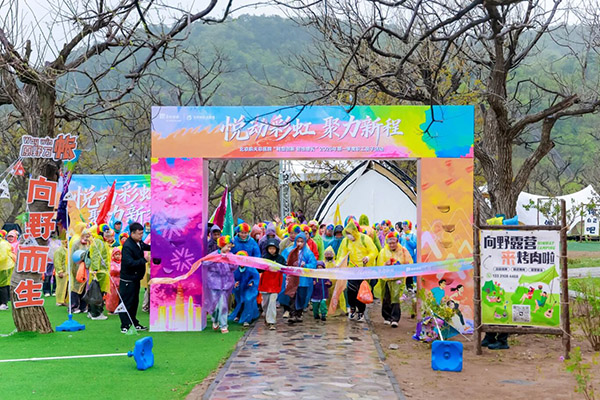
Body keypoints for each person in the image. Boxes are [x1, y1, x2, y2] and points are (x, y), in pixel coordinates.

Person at [336, 221, 378, 322]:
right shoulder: (346, 241)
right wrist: (338, 264)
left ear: (355, 231)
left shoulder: (365, 239)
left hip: (364, 270)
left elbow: (374, 251)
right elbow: (342, 254)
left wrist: (368, 257)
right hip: (352, 270)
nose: (349, 235)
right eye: (347, 233)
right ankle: (352, 308)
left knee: (361, 291)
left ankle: (361, 311)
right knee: (351, 291)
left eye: (350, 233)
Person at [119, 222, 151, 333]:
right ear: (132, 233)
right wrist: (144, 260)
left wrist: (158, 246)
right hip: (128, 279)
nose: (141, 236)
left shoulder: (139, 243)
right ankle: (125, 325)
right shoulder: (128, 246)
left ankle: (134, 322)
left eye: (142, 233)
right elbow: (130, 263)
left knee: (134, 302)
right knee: (126, 302)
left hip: (136, 278)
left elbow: (146, 247)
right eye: (139, 234)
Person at [377, 232, 413, 327]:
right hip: (386, 278)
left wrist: (402, 264)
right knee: (386, 297)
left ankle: (395, 318)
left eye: (394, 243)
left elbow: (409, 262)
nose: (392, 245)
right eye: (390, 243)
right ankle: (386, 317)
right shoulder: (383, 251)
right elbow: (379, 265)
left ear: (397, 241)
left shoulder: (403, 250)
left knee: (396, 297)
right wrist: (385, 264)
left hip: (398, 278)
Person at [203, 235, 237, 334]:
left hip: (225, 284)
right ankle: (215, 320)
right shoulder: (213, 255)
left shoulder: (230, 255)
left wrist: (229, 260)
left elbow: (234, 266)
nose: (229, 249)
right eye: (227, 246)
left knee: (223, 305)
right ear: (221, 245)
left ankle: (224, 325)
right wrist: (216, 259)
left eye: (230, 247)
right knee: (215, 306)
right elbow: (204, 263)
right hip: (214, 284)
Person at [282, 232, 316, 323]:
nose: (299, 243)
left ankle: (299, 313)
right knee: (292, 296)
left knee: (302, 296)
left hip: (303, 280)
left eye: (301, 241)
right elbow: (283, 261)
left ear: (305, 242)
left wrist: (306, 265)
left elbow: (313, 264)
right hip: (292, 278)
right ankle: (292, 314)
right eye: (298, 241)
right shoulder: (289, 251)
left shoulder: (308, 253)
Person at [88, 224, 113, 320]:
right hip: (99, 272)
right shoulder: (98, 242)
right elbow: (95, 256)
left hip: (101, 271)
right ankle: (96, 313)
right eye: (106, 232)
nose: (108, 234)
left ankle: (91, 312)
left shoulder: (101, 242)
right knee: (97, 293)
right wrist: (95, 269)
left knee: (95, 292)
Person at [229, 250, 260, 326]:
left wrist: (252, 282)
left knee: (248, 300)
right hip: (240, 289)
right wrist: (235, 283)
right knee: (240, 301)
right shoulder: (236, 269)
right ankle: (240, 315)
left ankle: (247, 319)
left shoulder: (251, 268)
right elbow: (232, 277)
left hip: (249, 288)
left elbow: (256, 277)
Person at [259, 238, 285, 330]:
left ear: (277, 249)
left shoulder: (280, 259)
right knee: (265, 303)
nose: (272, 250)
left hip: (275, 284)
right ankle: (267, 316)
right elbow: (259, 269)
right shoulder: (264, 258)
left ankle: (271, 322)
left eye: (273, 248)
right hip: (265, 284)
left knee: (272, 302)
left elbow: (284, 268)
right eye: (270, 248)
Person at [70, 229, 91, 314]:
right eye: (86, 236)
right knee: (76, 287)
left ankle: (83, 306)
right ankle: (73, 306)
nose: (87, 238)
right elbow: (72, 257)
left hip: (86, 268)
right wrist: (74, 269)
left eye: (89, 236)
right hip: (77, 268)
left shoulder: (90, 244)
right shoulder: (76, 244)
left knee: (84, 287)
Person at [0, 236, 16, 310]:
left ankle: (4, 303)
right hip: (3, 266)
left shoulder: (3, 244)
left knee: (3, 285)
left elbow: (2, 257)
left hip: (5, 267)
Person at [106, 247, 122, 313]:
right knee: (113, 296)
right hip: (113, 282)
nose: (118, 256)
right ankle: (112, 309)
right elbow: (112, 270)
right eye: (116, 254)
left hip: (120, 281)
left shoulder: (122, 262)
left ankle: (119, 308)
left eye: (119, 254)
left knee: (120, 295)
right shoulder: (111, 263)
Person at [53, 240, 69, 306]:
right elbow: (57, 261)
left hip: (66, 272)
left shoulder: (67, 250)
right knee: (60, 287)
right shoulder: (59, 250)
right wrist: (60, 271)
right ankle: (59, 301)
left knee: (65, 287)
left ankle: (63, 300)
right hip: (62, 272)